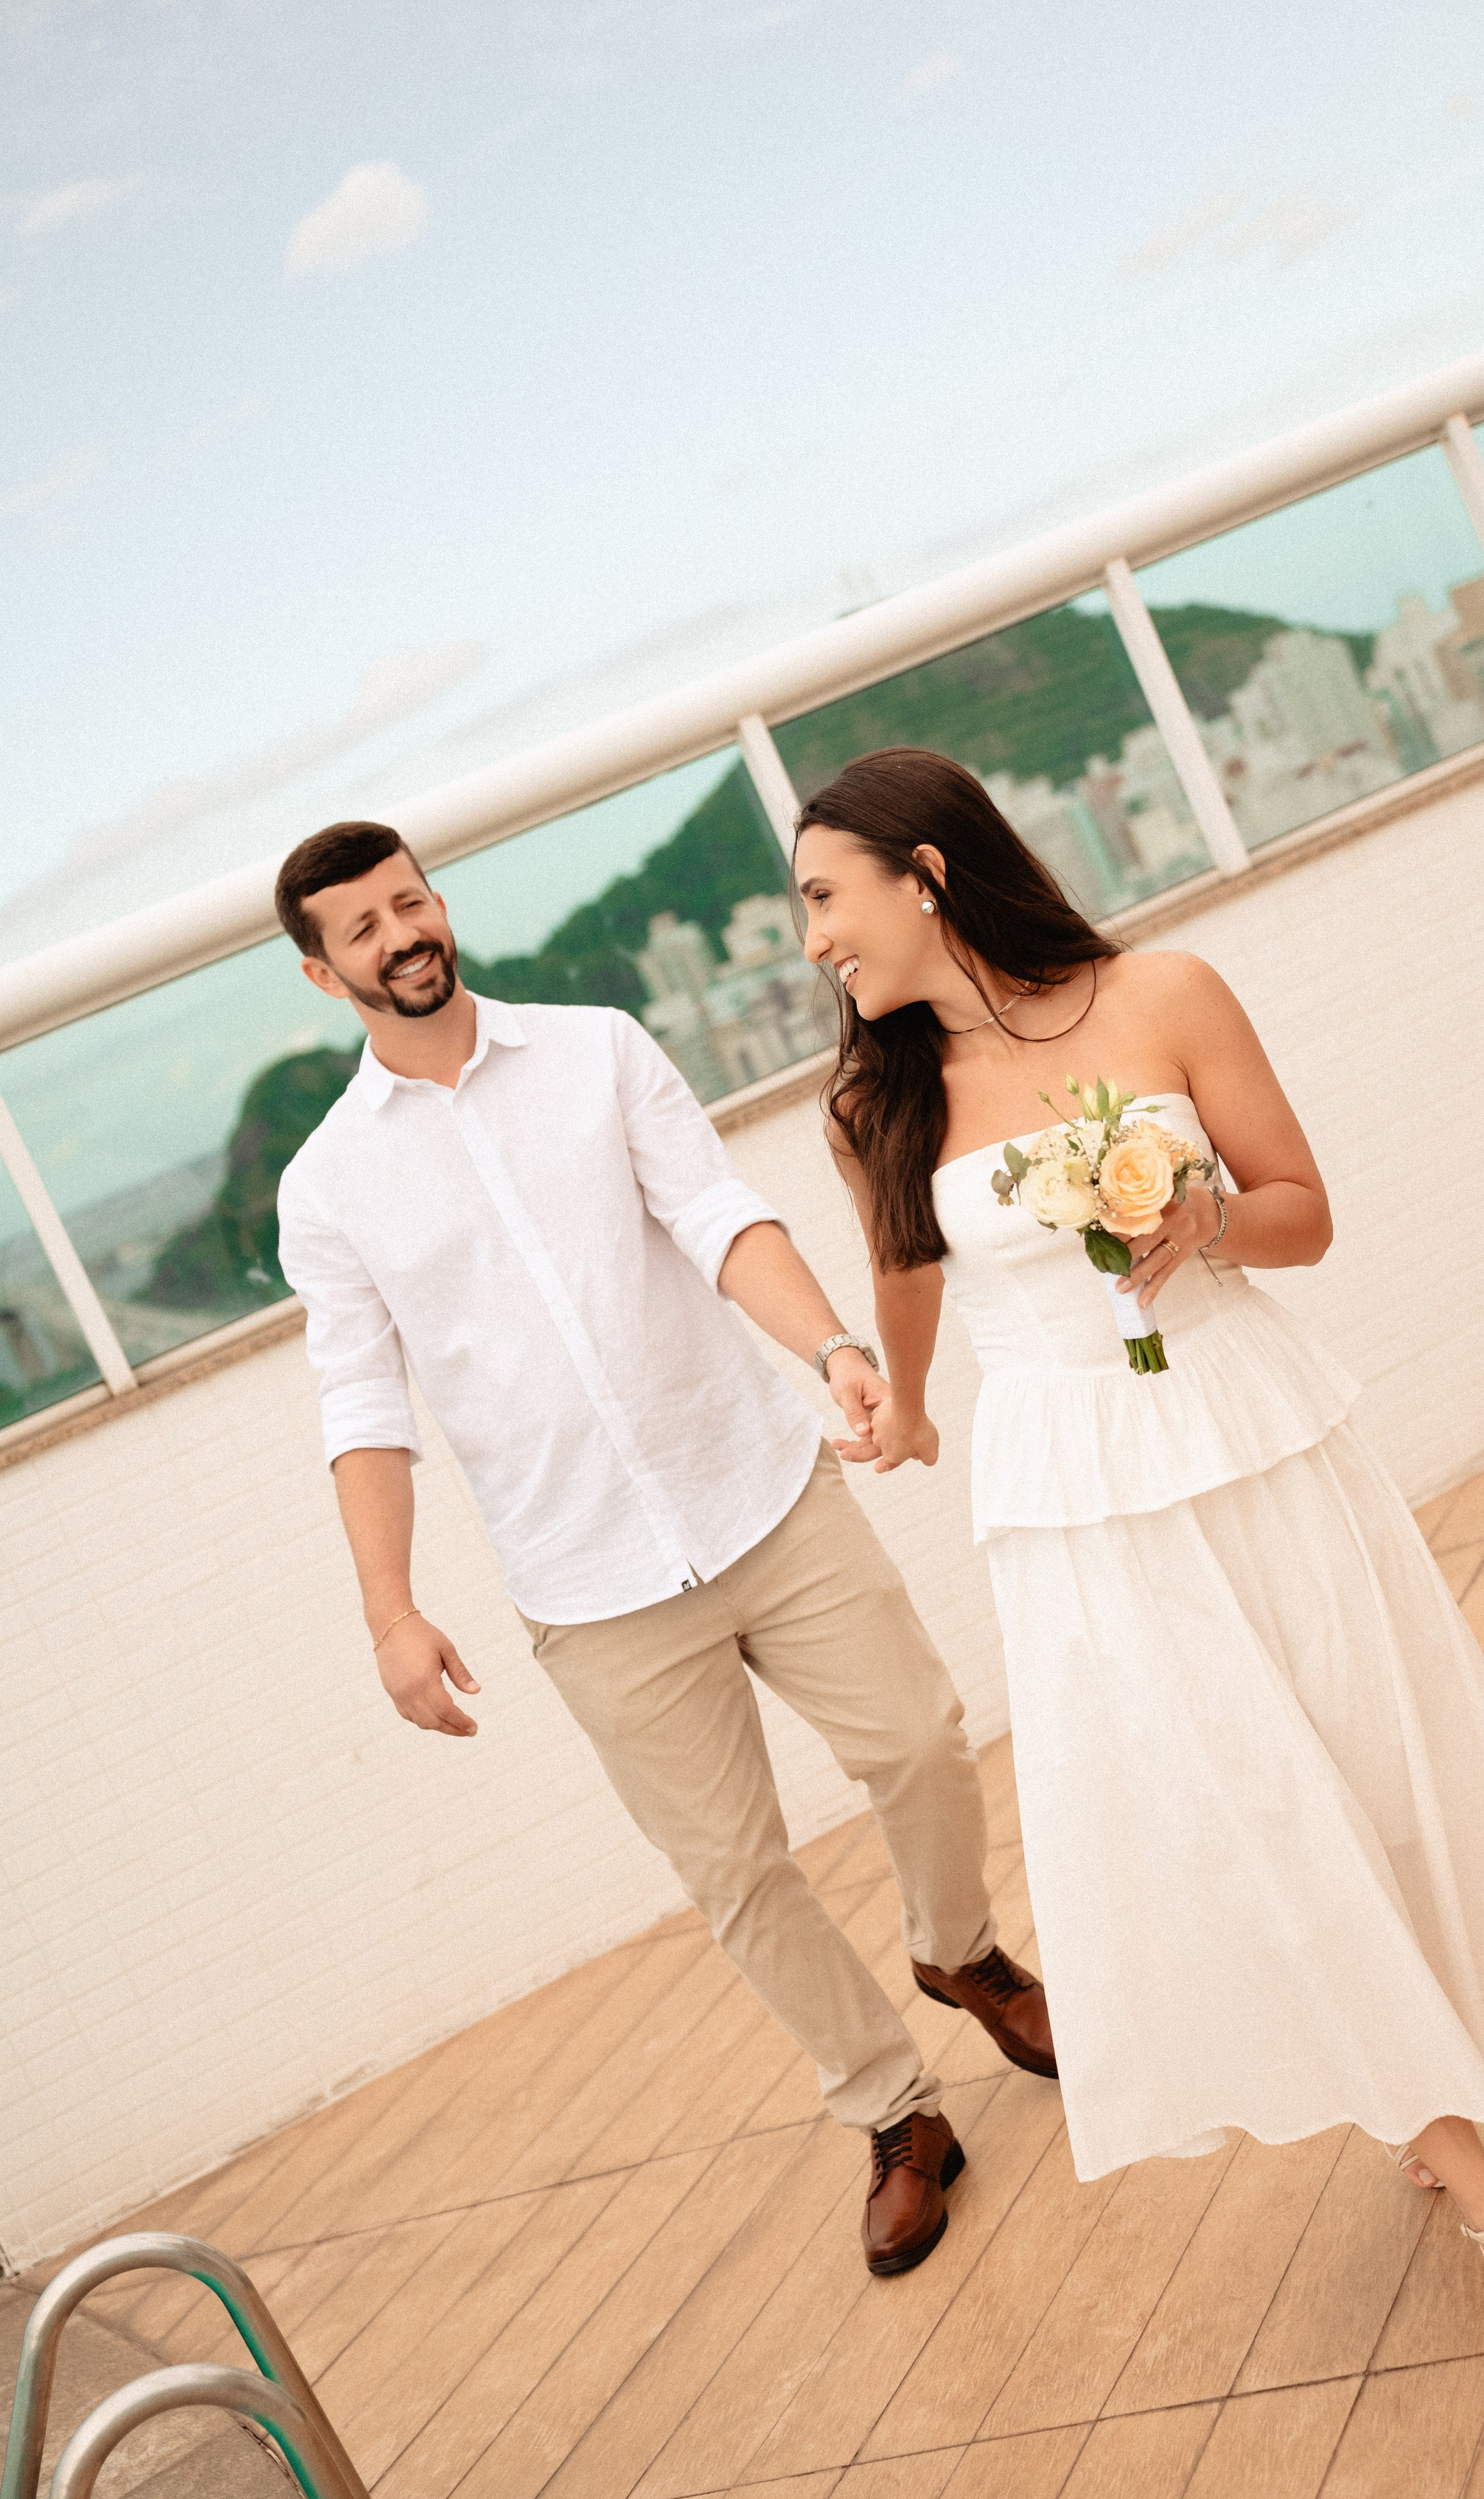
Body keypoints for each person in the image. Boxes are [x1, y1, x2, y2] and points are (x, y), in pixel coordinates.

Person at [794, 747, 1484, 2398]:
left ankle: (1408, 2084)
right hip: (1080, 1506)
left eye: (825, 895)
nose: (811, 937)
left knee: (1359, 1785)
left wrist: (1201, 1223)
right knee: (1255, 1820)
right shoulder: (871, 1105)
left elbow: (1303, 1209)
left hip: (1255, 1436)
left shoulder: (1163, 990)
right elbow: (906, 1318)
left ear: (928, 872)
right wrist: (879, 1411)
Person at [271, 817, 1055, 2278]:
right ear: (325, 977)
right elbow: (362, 1396)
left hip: (758, 1489)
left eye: (412, 902)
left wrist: (829, 1345)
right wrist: (389, 1606)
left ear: (439, 905)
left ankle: (958, 1945)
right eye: (363, 930)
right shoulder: (325, 1187)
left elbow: (713, 1214)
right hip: (584, 1583)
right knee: (741, 1880)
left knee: (919, 1740)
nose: (402, 935)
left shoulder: (595, 1047)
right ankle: (895, 2115)